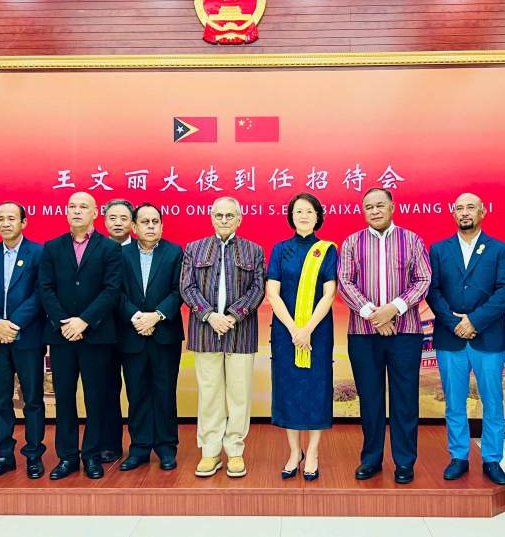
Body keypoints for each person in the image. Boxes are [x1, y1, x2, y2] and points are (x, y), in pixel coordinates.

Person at [336, 187, 431, 484]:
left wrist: (393, 309)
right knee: (370, 398)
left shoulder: (412, 240)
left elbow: (423, 279)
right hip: (364, 333)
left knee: (405, 399)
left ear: (392, 207)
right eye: (369, 207)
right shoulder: (352, 242)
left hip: (405, 333)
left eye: (380, 205)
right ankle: (371, 458)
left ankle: (404, 462)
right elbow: (344, 282)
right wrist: (373, 315)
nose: (374, 211)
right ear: (363, 211)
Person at [426, 193, 505, 485]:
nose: (465, 212)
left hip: (487, 337)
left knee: (493, 401)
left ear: (483, 212)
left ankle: (492, 459)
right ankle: (459, 456)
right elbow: (432, 291)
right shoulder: (439, 249)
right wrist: (455, 323)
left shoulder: (499, 249)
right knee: (454, 402)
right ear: (453, 214)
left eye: (471, 208)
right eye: (460, 208)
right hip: (451, 337)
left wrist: (474, 321)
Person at [38, 191, 122, 480]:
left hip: (96, 335)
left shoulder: (109, 248)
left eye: (83, 206)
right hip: (62, 335)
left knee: (96, 398)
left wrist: (84, 321)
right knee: (64, 398)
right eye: (72, 206)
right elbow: (46, 288)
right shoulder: (52, 247)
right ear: (66, 212)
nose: (77, 211)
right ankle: (67, 457)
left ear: (95, 213)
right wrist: (64, 322)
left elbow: (112, 289)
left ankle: (92, 455)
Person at [180, 196, 265, 478]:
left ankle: (235, 451)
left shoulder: (254, 250)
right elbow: (187, 287)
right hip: (205, 332)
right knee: (209, 395)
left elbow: (258, 288)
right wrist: (210, 316)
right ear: (211, 217)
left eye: (230, 215)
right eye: (219, 215)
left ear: (239, 219)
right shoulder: (194, 248)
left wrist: (233, 315)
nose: (224, 220)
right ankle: (210, 451)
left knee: (239, 395)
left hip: (240, 332)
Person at [0, 201, 47, 481]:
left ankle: (34, 455)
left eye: (11, 218)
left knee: (33, 400)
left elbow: (40, 293)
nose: (6, 223)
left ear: (23, 222)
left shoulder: (38, 252)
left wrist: (14, 324)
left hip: (27, 337)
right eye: (0, 218)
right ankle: (3, 456)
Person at [266, 193, 337, 481]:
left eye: (309, 211)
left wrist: (307, 329)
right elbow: (273, 293)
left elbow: (329, 294)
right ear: (291, 216)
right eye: (298, 211)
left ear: (318, 216)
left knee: (316, 388)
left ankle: (314, 452)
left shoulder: (327, 250)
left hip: (318, 332)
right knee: (289, 388)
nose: (304, 216)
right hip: (286, 332)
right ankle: (295, 451)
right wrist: (295, 329)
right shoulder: (280, 249)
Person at [117, 203, 185, 471]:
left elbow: (179, 291)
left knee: (165, 392)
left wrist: (155, 316)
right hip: (132, 334)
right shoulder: (121, 254)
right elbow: (115, 292)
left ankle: (167, 448)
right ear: (134, 227)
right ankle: (140, 448)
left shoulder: (174, 252)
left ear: (162, 225)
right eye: (145, 222)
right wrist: (137, 317)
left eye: (155, 221)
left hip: (164, 334)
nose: (150, 226)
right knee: (137, 393)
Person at [98, 198, 132, 463]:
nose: (118, 223)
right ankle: (109, 443)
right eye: (113, 218)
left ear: (132, 223)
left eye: (123, 218)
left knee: (138, 390)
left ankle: (142, 444)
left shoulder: (141, 250)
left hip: (136, 331)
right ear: (104, 221)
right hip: (102, 331)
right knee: (106, 390)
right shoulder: (95, 250)